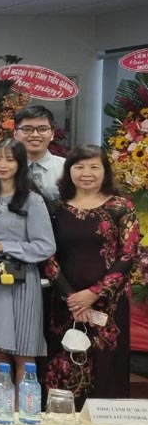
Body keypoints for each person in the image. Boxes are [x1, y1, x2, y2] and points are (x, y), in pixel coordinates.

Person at [45, 145, 141, 406]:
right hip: (66, 302)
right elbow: (47, 255)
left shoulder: (121, 207)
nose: (86, 173)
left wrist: (93, 294)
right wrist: (72, 298)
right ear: (69, 171)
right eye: (79, 166)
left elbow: (128, 253)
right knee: (67, 363)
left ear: (105, 171)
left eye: (94, 167)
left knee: (106, 367)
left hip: (109, 304)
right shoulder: (55, 209)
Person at [0, 139, 55, 373]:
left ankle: (24, 398)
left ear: (20, 164)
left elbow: (46, 246)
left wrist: (3, 246)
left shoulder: (32, 200)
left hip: (20, 279)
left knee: (24, 349)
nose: (2, 165)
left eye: (9, 160)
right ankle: (2, 397)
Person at [14, 105, 66, 201]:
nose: (35, 135)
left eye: (42, 129)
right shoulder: (5, 168)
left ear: (52, 134)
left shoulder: (66, 168)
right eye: (27, 129)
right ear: (15, 134)